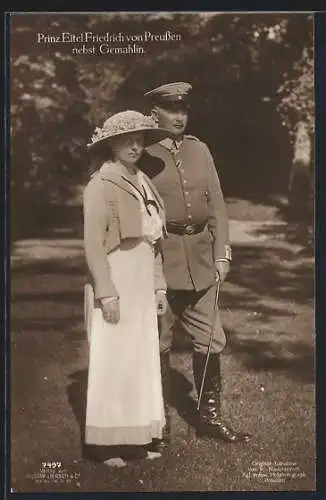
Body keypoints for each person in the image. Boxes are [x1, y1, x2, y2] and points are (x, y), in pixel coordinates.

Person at [139, 82, 251, 445]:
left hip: (202, 260)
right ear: (154, 112)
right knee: (158, 343)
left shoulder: (199, 150)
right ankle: (159, 423)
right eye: (172, 109)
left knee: (210, 339)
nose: (180, 116)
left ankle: (210, 417)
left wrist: (222, 253)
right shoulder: (143, 153)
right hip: (161, 262)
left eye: (184, 108)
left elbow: (216, 204)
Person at [83, 110, 172, 465]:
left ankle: (137, 436)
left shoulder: (143, 180)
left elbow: (155, 244)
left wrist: (159, 288)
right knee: (114, 359)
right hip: (117, 276)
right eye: (126, 140)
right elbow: (93, 244)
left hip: (141, 278)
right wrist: (106, 292)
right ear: (112, 144)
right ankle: (106, 444)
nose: (134, 146)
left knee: (139, 358)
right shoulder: (100, 184)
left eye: (139, 139)